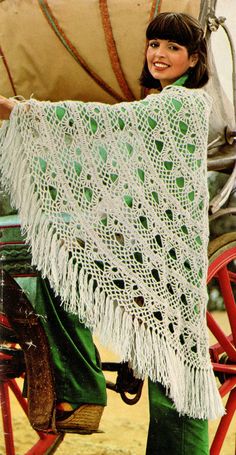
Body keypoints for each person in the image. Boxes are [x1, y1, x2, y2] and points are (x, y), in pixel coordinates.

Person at [0, 12, 224, 454]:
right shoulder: (155, 104)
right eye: (154, 44)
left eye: (173, 48)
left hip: (156, 249)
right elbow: (101, 149)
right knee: (37, 250)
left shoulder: (183, 105)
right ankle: (76, 384)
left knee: (173, 372)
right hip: (131, 235)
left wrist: (20, 112)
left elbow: (104, 123)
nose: (159, 55)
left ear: (194, 58)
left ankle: (81, 385)